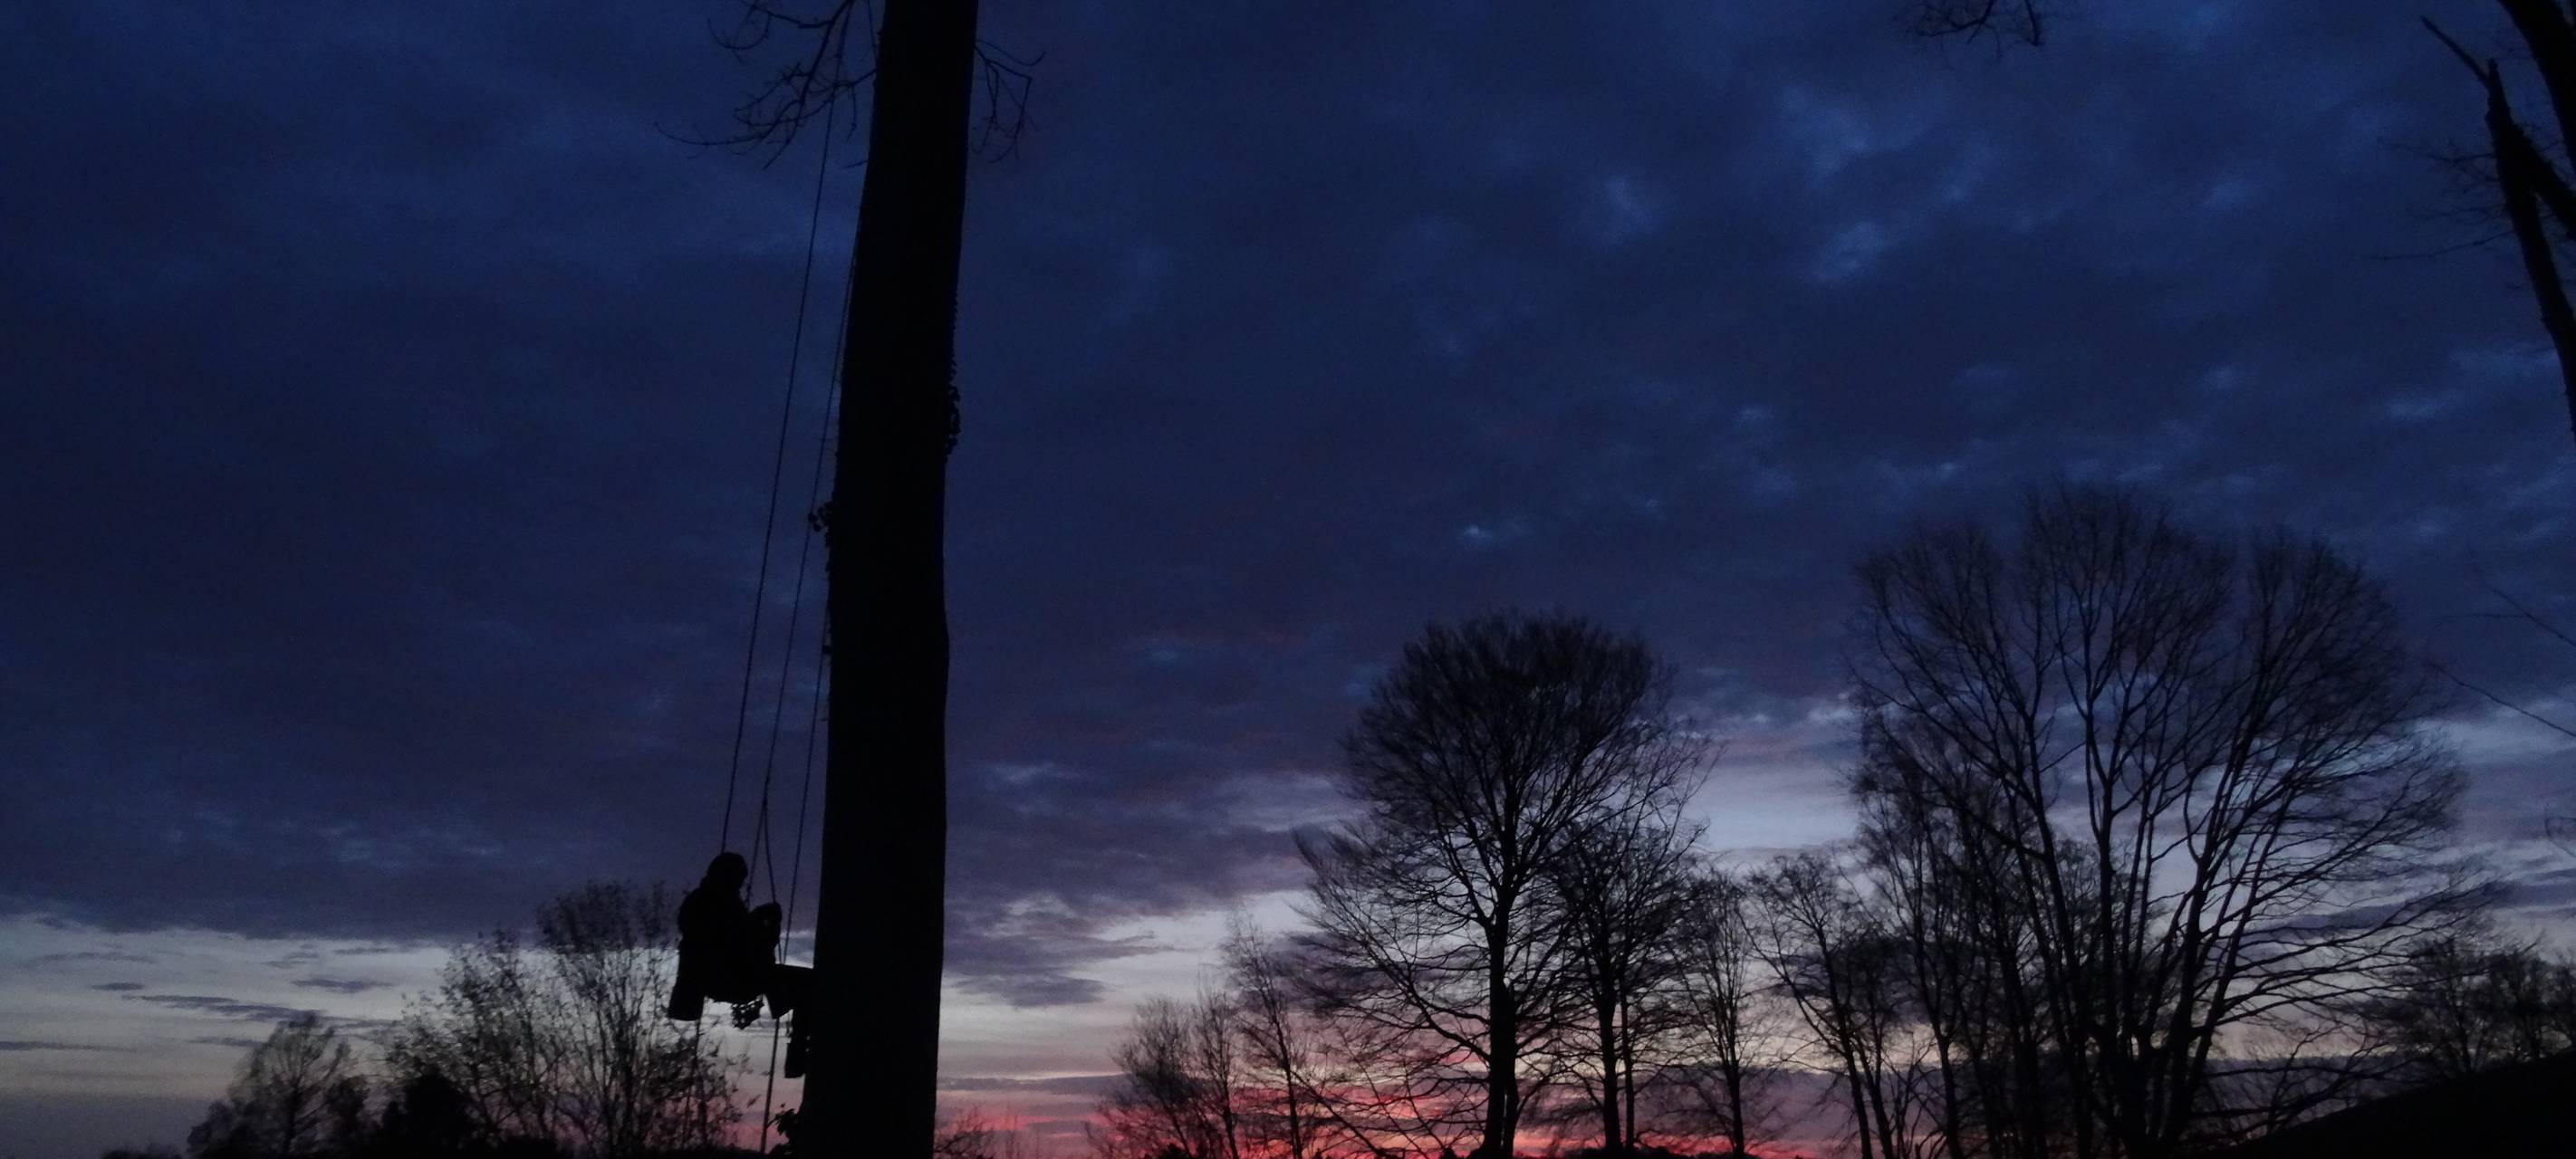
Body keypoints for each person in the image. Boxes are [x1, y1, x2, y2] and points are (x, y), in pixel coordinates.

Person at [665, 853, 816, 1075]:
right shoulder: (713, 902)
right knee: (810, 984)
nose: (739, 886)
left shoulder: (708, 901)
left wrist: (758, 923)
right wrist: (761, 923)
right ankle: (797, 1054)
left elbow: (737, 936)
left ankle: (798, 1054)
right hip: (731, 978)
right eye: (737, 880)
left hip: (730, 978)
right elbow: (735, 939)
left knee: (807, 984)